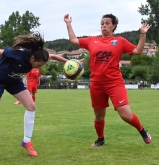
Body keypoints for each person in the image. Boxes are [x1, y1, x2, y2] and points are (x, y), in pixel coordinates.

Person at [0, 32, 69, 157]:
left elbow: (54, 57)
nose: (39, 67)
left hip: (14, 81)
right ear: (33, 58)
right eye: (39, 65)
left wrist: (71, 61)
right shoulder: (17, 55)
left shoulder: (40, 56)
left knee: (31, 106)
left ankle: (26, 141)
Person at [64, 13, 152, 147]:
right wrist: (68, 23)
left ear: (114, 26)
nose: (104, 25)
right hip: (96, 84)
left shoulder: (120, 41)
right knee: (99, 116)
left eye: (107, 23)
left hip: (114, 83)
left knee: (126, 115)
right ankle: (100, 139)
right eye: (102, 23)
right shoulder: (92, 40)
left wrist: (142, 34)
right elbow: (74, 40)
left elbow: (138, 51)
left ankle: (143, 131)